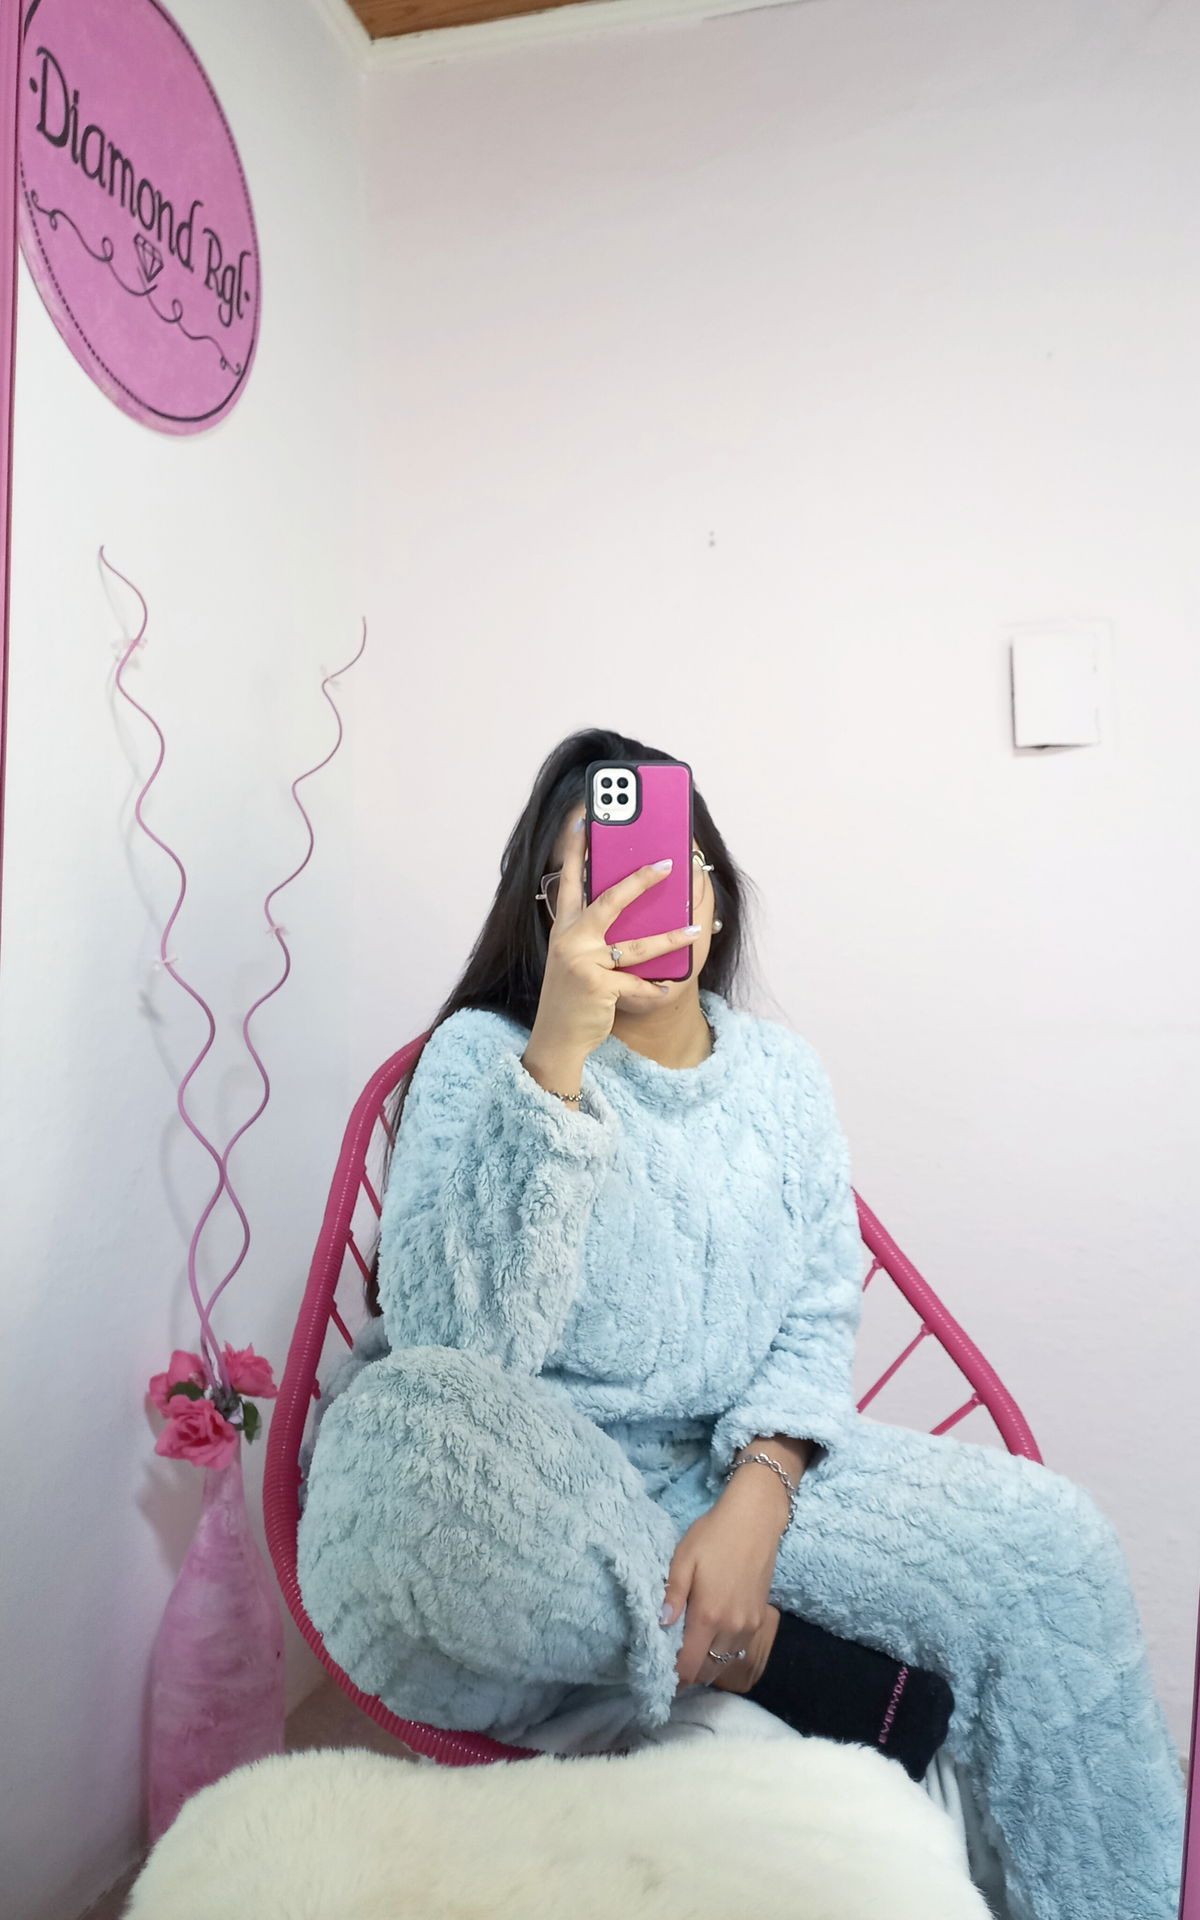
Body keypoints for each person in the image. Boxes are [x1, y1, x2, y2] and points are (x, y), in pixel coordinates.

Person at [299, 728, 1183, 1920]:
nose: (640, 902)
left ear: (715, 896)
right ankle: (752, 1653)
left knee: (1053, 1546)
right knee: (400, 1438)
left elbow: (817, 1309)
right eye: (597, 879)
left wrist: (760, 1492)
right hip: (536, 1491)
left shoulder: (782, 1079)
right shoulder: (483, 1057)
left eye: (668, 871)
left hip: (733, 1463)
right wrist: (557, 1062)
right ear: (547, 910)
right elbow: (459, 1348)